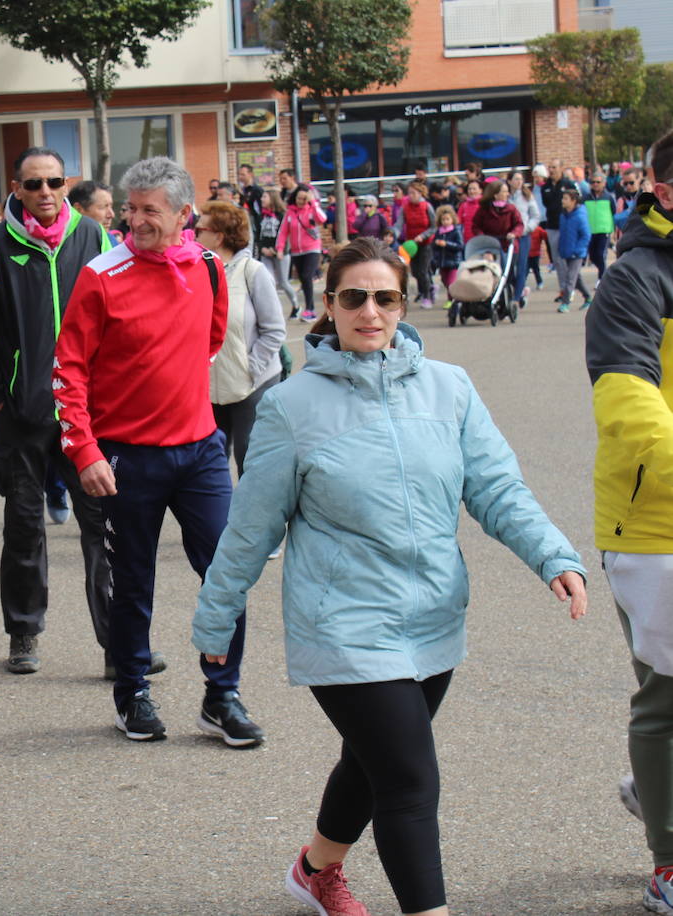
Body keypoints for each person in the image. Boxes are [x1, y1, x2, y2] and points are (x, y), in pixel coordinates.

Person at [193, 237, 587, 916]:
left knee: (372, 762)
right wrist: (216, 615)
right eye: (353, 297)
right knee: (408, 777)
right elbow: (252, 527)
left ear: (403, 304)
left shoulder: (449, 387)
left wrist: (554, 555)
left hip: (433, 613)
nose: (369, 311)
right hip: (343, 623)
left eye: (384, 297)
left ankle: (317, 869)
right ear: (329, 305)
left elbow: (496, 489)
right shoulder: (292, 406)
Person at [54, 157, 260, 744]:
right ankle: (133, 693)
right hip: (124, 458)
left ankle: (222, 696)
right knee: (133, 582)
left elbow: (212, 341)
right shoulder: (100, 275)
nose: (135, 220)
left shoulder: (208, 269)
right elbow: (66, 369)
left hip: (199, 453)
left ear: (183, 214)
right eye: (130, 208)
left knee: (226, 575)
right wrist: (86, 450)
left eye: (150, 210)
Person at [0, 147, 115, 675]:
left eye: (53, 182)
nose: (45, 192)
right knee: (25, 526)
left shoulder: (93, 237)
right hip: (22, 415)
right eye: (33, 184)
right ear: (17, 189)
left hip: (88, 413)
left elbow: (120, 308)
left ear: (66, 185)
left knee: (104, 527)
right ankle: (23, 634)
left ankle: (120, 643)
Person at [585, 128, 673, 916]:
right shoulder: (635, 281)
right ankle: (670, 862)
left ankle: (658, 792)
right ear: (665, 190)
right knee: (669, 698)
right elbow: (629, 405)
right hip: (656, 525)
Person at [197, 200, 285, 475]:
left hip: (252, 385)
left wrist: (251, 368)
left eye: (200, 229)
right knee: (211, 461)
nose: (194, 234)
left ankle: (254, 517)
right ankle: (219, 518)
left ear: (219, 235)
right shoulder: (196, 272)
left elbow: (275, 330)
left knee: (250, 458)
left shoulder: (253, 272)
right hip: (210, 388)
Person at [275, 185, 326, 322]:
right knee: (303, 279)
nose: (301, 201)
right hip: (296, 251)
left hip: (312, 248)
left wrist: (313, 202)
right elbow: (283, 231)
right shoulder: (290, 213)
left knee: (306, 275)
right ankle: (309, 308)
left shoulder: (311, 210)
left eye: (304, 199)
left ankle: (310, 309)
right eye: (299, 198)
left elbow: (322, 219)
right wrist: (280, 248)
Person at [257, 191, 298, 315]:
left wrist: (278, 250)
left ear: (272, 198)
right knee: (269, 282)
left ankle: (296, 305)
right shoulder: (261, 215)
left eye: (264, 196)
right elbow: (258, 236)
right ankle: (274, 310)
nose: (261, 199)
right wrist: (262, 248)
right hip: (266, 253)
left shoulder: (282, 215)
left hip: (281, 253)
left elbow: (286, 235)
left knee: (283, 282)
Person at [396, 181, 437, 307]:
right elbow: (399, 224)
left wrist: (423, 236)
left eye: (413, 193)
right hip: (411, 244)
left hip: (425, 243)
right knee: (415, 271)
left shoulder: (426, 206)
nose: (411, 196)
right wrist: (393, 235)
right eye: (409, 193)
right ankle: (430, 287)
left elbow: (434, 227)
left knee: (423, 270)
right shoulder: (405, 207)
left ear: (420, 193)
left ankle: (427, 296)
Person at [508, 172, 543, 307]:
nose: (519, 182)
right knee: (509, 268)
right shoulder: (506, 196)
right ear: (509, 181)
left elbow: (535, 216)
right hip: (509, 236)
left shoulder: (527, 196)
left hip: (523, 236)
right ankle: (520, 290)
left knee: (522, 266)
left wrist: (527, 228)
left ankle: (516, 298)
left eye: (521, 179)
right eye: (516, 179)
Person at [556, 189, 593, 313]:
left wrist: (578, 250)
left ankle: (565, 303)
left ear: (573, 201)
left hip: (577, 253)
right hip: (567, 252)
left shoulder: (580, 216)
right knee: (577, 279)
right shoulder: (563, 216)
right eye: (562, 198)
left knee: (570, 278)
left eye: (566, 199)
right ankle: (588, 297)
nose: (562, 201)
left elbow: (586, 236)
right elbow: (563, 234)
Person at [585, 172, 617, 282]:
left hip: (604, 230)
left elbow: (613, 213)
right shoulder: (586, 197)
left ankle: (601, 278)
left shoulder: (609, 197)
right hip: (591, 230)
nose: (595, 184)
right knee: (593, 255)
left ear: (603, 183)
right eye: (593, 182)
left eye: (598, 182)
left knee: (600, 254)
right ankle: (604, 271)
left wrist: (613, 231)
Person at [68, 180, 120, 244]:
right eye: (103, 207)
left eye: (111, 206)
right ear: (78, 209)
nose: (111, 215)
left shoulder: (111, 241)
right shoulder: (63, 245)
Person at [431, 205, 465, 297]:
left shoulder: (455, 231)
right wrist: (436, 243)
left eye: (447, 219)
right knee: (445, 281)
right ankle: (453, 297)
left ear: (452, 219)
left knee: (451, 282)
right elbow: (433, 246)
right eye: (443, 219)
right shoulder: (439, 232)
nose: (445, 222)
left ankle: (452, 299)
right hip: (442, 262)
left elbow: (460, 246)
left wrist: (447, 244)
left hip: (453, 261)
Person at [456, 179, 484, 243]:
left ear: (481, 190)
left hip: (482, 238)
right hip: (467, 240)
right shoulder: (463, 205)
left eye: (474, 189)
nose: (471, 191)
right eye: (469, 189)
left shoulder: (485, 204)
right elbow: (458, 221)